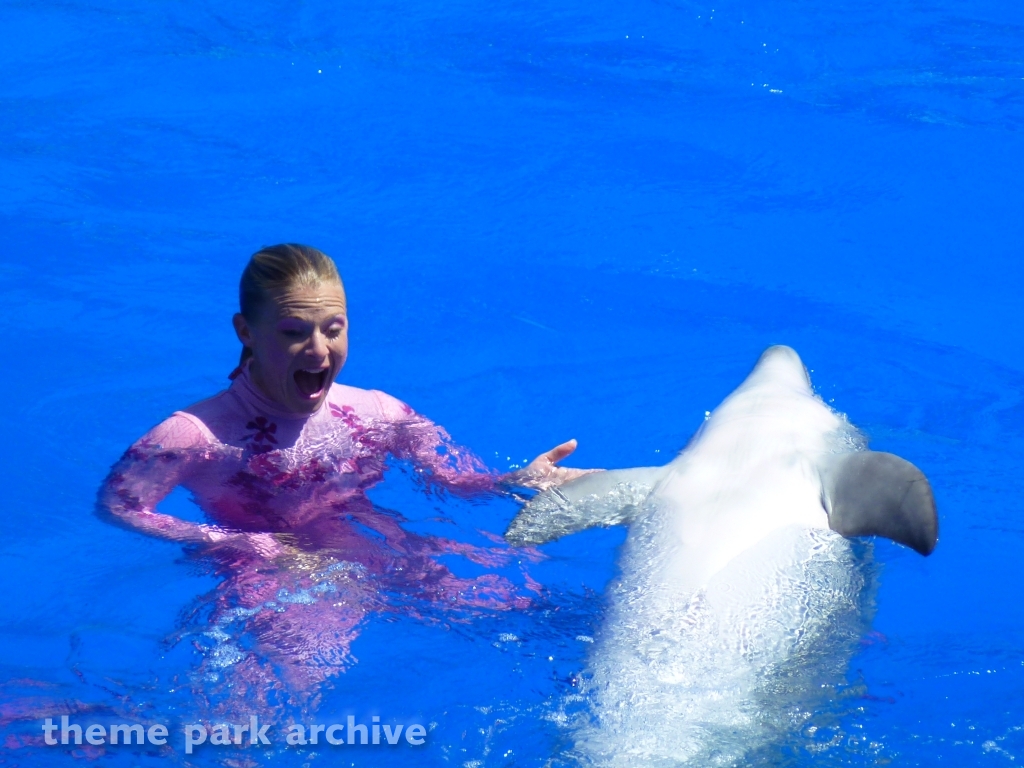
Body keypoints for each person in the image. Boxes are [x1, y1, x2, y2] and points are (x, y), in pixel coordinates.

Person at [97, 243, 590, 711]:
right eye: (293, 332)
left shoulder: (379, 412)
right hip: (278, 577)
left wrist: (516, 479)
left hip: (379, 548)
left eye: (333, 330)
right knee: (263, 715)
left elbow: (454, 480)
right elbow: (118, 507)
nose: (318, 350)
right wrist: (229, 541)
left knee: (530, 612)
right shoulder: (193, 435)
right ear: (246, 331)